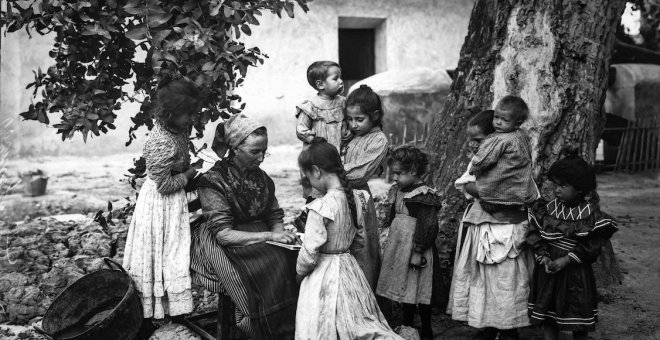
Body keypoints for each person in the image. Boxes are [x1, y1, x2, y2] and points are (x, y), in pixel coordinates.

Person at [190, 114, 299, 340]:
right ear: (236, 148)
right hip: (221, 237)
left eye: (264, 151)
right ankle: (256, 326)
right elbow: (224, 234)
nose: (261, 158)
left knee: (287, 259)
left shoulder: (262, 178)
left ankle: (287, 327)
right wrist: (270, 235)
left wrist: (279, 233)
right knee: (248, 273)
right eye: (254, 152)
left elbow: (273, 212)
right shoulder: (213, 181)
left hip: (256, 233)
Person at [295, 138, 403, 340]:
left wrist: (299, 275)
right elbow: (359, 241)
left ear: (317, 171)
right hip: (350, 270)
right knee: (353, 321)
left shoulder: (320, 208)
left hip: (324, 275)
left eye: (308, 176)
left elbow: (309, 253)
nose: (309, 181)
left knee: (322, 323)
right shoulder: (357, 198)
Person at [447, 109, 532, 340]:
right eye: (470, 141)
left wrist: (489, 193)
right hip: (483, 231)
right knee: (483, 278)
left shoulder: (515, 164)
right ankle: (488, 324)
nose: (472, 146)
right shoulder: (480, 163)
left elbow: (522, 193)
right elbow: (466, 185)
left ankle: (509, 327)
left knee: (506, 279)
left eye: (478, 140)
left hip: (507, 231)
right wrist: (490, 194)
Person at [123, 78, 202, 320]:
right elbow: (164, 185)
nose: (191, 119)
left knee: (173, 251)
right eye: (186, 114)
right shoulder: (160, 142)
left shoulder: (179, 129)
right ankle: (155, 309)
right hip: (160, 202)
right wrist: (189, 174)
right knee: (164, 251)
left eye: (192, 113)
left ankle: (171, 308)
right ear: (170, 114)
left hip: (173, 198)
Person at [527, 155, 618, 340]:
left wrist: (567, 259)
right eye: (556, 185)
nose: (557, 190)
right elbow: (536, 235)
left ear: (580, 189)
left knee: (578, 311)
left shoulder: (590, 215)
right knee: (549, 312)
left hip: (576, 273)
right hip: (549, 269)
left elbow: (592, 245)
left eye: (563, 186)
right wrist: (543, 256)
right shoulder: (548, 209)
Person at [376, 146, 443, 340]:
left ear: (413, 170)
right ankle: (407, 325)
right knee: (404, 287)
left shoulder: (422, 195)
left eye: (398, 173)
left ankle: (427, 328)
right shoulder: (399, 190)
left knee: (420, 288)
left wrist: (418, 250)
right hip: (400, 248)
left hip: (416, 249)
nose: (394, 177)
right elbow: (394, 217)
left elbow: (428, 225)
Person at [342, 85, 390, 289]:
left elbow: (359, 174)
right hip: (338, 196)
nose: (353, 124)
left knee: (361, 249)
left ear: (375, 116)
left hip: (358, 199)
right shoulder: (350, 135)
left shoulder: (379, 140)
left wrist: (331, 172)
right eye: (350, 119)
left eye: (359, 119)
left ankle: (364, 297)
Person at [469, 95, 539, 214]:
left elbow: (483, 160)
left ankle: (489, 202)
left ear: (517, 123)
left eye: (505, 120)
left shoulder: (499, 140)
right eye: (496, 117)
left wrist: (473, 167)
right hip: (518, 191)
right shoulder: (522, 136)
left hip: (498, 192)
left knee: (472, 185)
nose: (498, 122)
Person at [295, 61, 351, 202]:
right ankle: (314, 214)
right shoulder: (311, 106)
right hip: (318, 153)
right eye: (335, 78)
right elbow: (301, 129)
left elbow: (350, 121)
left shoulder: (344, 103)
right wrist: (312, 138)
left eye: (340, 77)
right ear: (320, 84)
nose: (340, 81)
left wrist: (349, 131)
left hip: (339, 152)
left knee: (339, 186)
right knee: (318, 188)